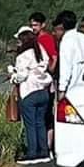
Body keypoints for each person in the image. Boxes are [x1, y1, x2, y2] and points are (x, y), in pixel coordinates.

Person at [10, 28, 53, 163]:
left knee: (30, 124)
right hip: (43, 90)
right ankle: (44, 150)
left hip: (29, 92)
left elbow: (22, 76)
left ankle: (32, 152)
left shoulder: (22, 57)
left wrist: (13, 76)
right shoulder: (40, 51)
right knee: (40, 122)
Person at [29, 11, 58, 151]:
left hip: (45, 81)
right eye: (32, 25)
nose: (33, 28)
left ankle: (48, 144)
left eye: (36, 25)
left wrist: (50, 72)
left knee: (46, 115)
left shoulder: (46, 39)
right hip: (37, 82)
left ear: (43, 25)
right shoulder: (34, 39)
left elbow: (53, 56)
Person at [55, 9, 84, 97]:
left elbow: (65, 66)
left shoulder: (66, 41)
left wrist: (62, 88)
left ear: (61, 25)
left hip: (72, 86)